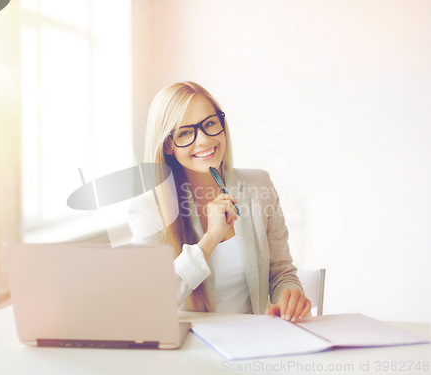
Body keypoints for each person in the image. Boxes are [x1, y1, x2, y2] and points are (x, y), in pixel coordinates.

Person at [129, 81, 311, 322]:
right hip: (191, 351)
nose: (204, 140)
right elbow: (146, 301)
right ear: (168, 145)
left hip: (255, 342)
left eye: (210, 124)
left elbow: (281, 273)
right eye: (185, 132)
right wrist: (210, 239)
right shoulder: (148, 210)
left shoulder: (259, 184)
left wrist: (289, 296)